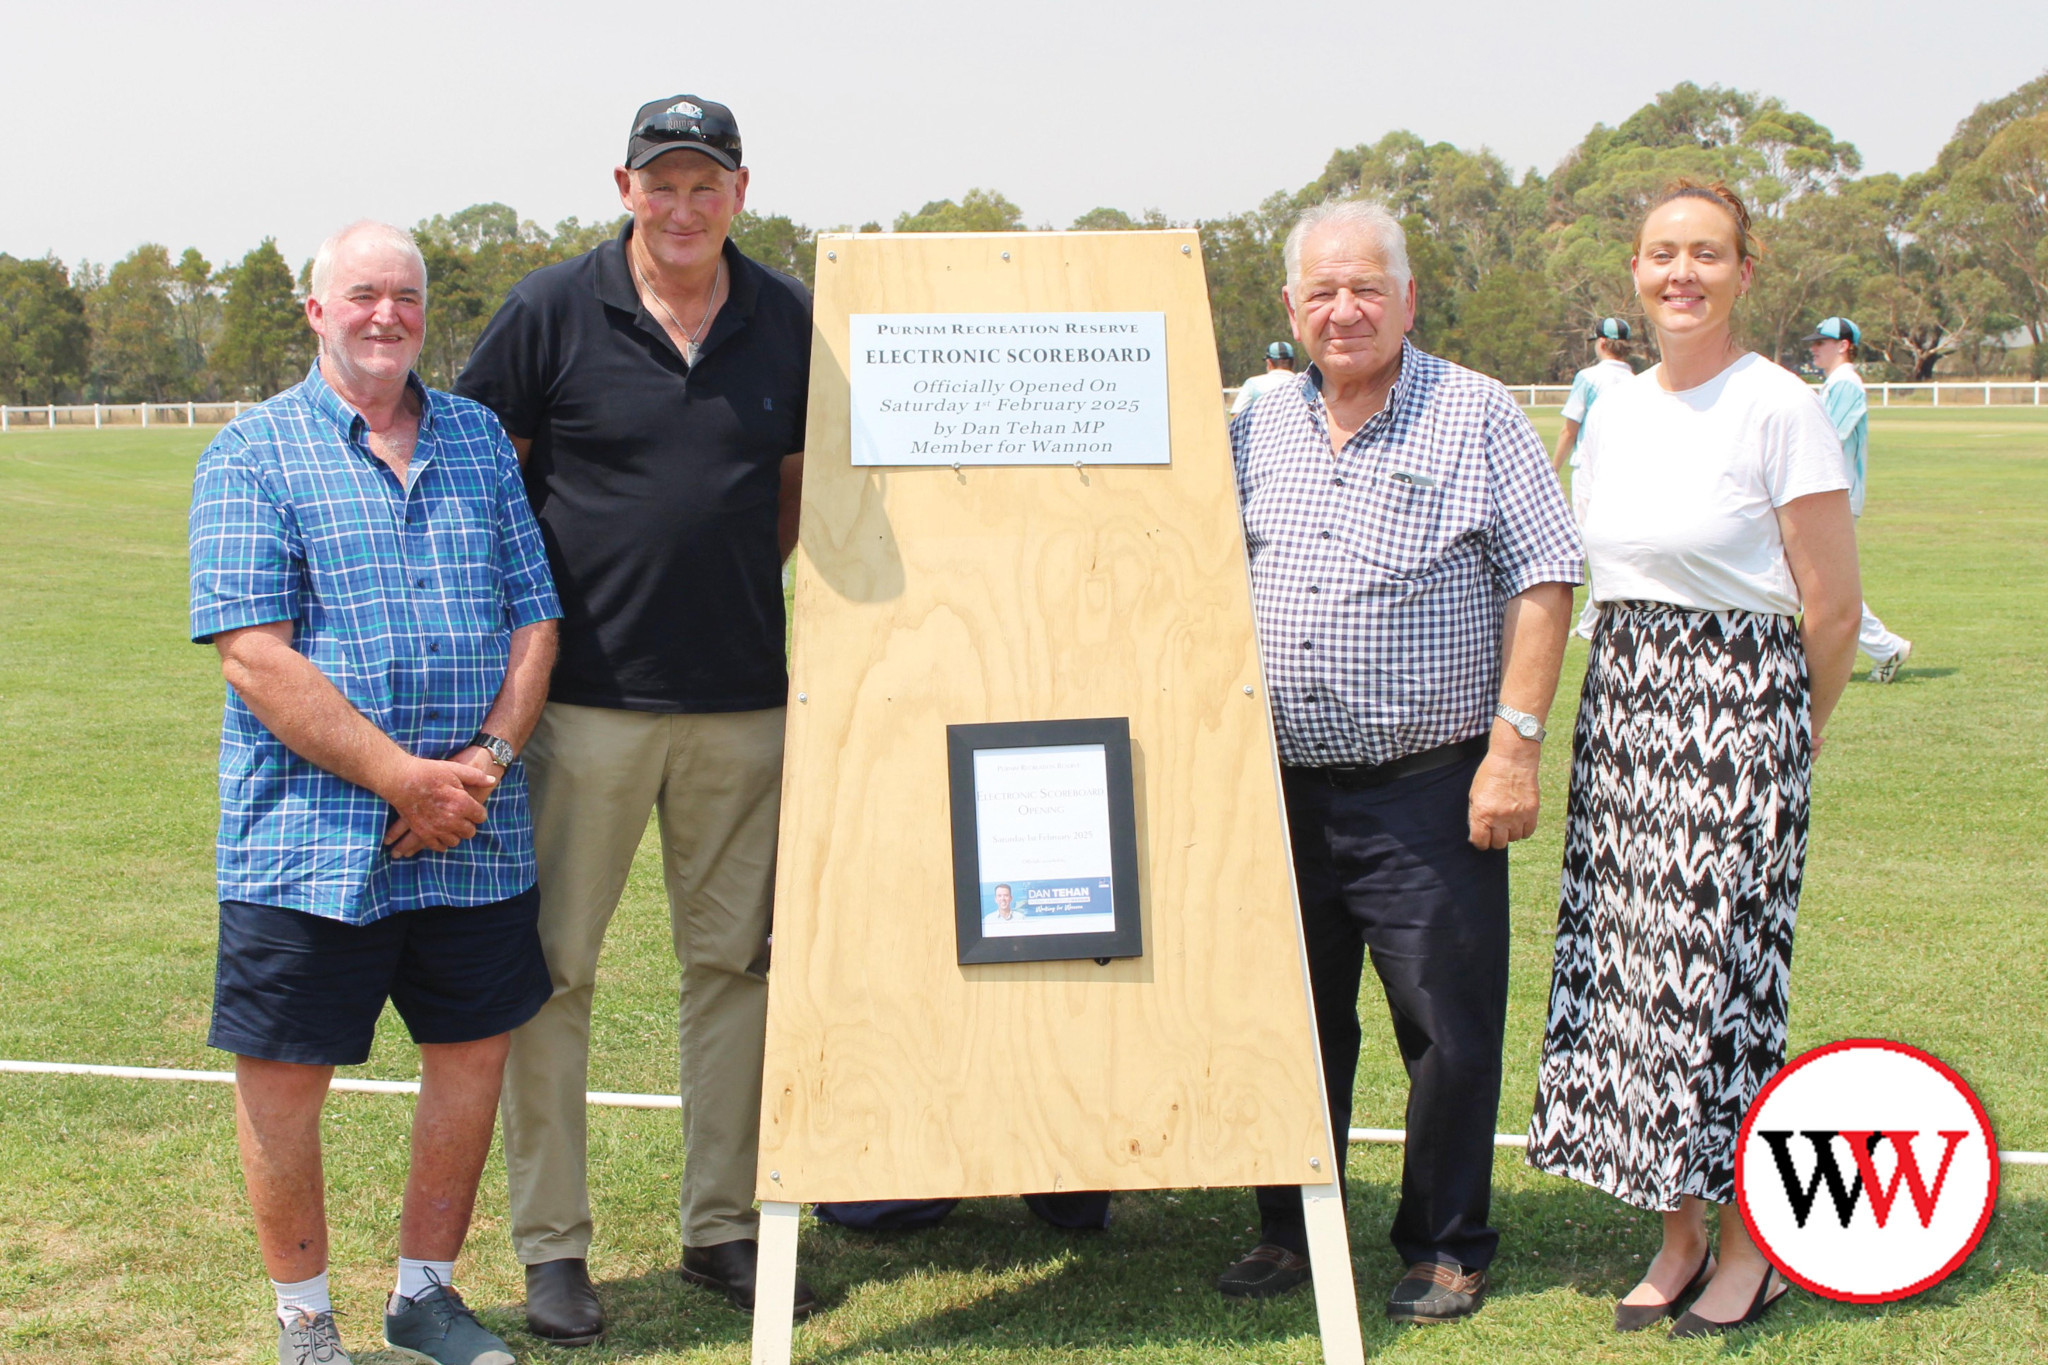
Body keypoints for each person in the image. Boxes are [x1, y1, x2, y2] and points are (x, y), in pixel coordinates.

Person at [454, 94, 816, 1339]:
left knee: (735, 972)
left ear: (739, 188)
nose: (680, 205)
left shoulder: (783, 316)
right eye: (658, 183)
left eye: (702, 181)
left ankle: (722, 1227)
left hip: (743, 709)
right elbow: (478, 473)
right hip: (582, 711)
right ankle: (553, 1249)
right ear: (622, 188)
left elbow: (790, 497)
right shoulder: (551, 308)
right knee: (553, 974)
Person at [189, 220, 562, 1365]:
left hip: (475, 829)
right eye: (361, 294)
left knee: (471, 1055)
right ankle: (307, 1322)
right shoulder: (252, 453)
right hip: (305, 838)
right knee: (286, 1081)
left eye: (404, 294)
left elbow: (534, 614)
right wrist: (404, 777)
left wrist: (486, 764)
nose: (386, 313)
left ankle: (426, 1296)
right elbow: (254, 651)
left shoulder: (477, 441)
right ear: (318, 312)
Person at [1222, 199, 1583, 1321]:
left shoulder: (1473, 414)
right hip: (1276, 788)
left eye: (1366, 287)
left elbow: (1543, 579)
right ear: (1289, 306)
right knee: (1289, 1019)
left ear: (1407, 298)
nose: (1344, 310)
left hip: (1426, 788)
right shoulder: (1254, 423)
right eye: (1321, 291)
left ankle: (1444, 1242)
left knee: (1445, 1027)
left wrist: (1511, 751)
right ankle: (1293, 1228)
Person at [1526, 181, 1861, 1340]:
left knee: (1722, 992)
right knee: (1635, 990)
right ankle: (1672, 1237)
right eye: (1661, 254)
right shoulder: (1612, 407)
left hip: (1737, 724)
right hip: (1624, 713)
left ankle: (1750, 1249)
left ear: (1742, 273)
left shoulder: (1780, 407)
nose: (1681, 274)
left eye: (1705, 255)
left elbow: (1830, 608)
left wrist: (1784, 738)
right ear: (1632, 271)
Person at [1807, 316, 1913, 682]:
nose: (1814, 348)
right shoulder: (1836, 383)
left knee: (1822, 583)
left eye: (1822, 342)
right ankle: (1883, 647)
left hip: (1836, 495)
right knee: (1817, 582)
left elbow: (1828, 438)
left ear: (1844, 345)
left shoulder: (1846, 383)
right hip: (1833, 494)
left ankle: (1885, 647)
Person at [1554, 319, 1637, 639]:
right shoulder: (1636, 379)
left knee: (1591, 546)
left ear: (1601, 343)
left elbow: (1569, 428)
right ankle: (1596, 617)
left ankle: (1592, 620)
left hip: (1590, 472)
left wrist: (1553, 468)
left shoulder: (1587, 378)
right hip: (1624, 471)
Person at [1231, 340, 1299, 415]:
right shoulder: (1304, 384)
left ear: (1269, 362)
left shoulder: (1252, 384)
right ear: (1293, 363)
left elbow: (1236, 416)